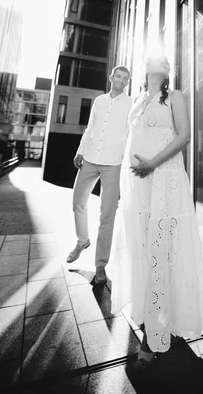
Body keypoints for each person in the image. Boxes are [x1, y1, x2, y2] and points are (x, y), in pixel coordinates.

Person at [108, 54, 203, 367]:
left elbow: (184, 136)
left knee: (163, 252)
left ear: (169, 71)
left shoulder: (175, 96)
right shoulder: (137, 101)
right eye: (153, 59)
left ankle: (155, 336)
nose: (158, 62)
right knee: (144, 251)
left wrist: (152, 163)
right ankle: (155, 317)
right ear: (146, 68)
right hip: (140, 189)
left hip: (167, 183)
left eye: (164, 60)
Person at [66, 65, 133, 285]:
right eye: (119, 77)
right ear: (111, 77)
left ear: (127, 82)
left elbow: (130, 134)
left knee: (107, 216)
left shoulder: (130, 104)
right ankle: (82, 240)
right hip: (91, 158)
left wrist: (125, 165)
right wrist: (79, 150)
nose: (122, 81)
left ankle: (100, 266)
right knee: (78, 203)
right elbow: (90, 128)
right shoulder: (99, 101)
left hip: (113, 163)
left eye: (126, 79)